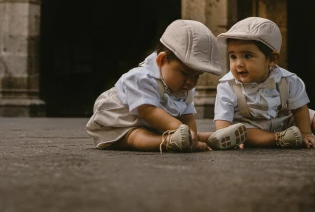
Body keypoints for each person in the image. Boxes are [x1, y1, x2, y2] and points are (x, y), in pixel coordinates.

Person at [86, 19, 248, 152]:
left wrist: (192, 136)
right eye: (185, 73)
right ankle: (166, 142)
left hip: (158, 125)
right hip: (120, 123)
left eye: (196, 76)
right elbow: (148, 111)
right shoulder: (140, 78)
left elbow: (187, 117)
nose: (190, 82)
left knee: (184, 133)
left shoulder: (184, 88)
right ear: (162, 60)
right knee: (136, 135)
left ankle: (211, 138)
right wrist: (179, 128)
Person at [213, 17, 315, 149]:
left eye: (247, 56)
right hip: (251, 129)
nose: (238, 63)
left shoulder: (288, 80)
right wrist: (227, 136)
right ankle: (278, 139)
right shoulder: (227, 86)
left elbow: (299, 108)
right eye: (233, 56)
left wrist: (305, 133)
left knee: (309, 115)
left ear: (272, 59)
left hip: (282, 123)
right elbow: (223, 119)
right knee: (243, 130)